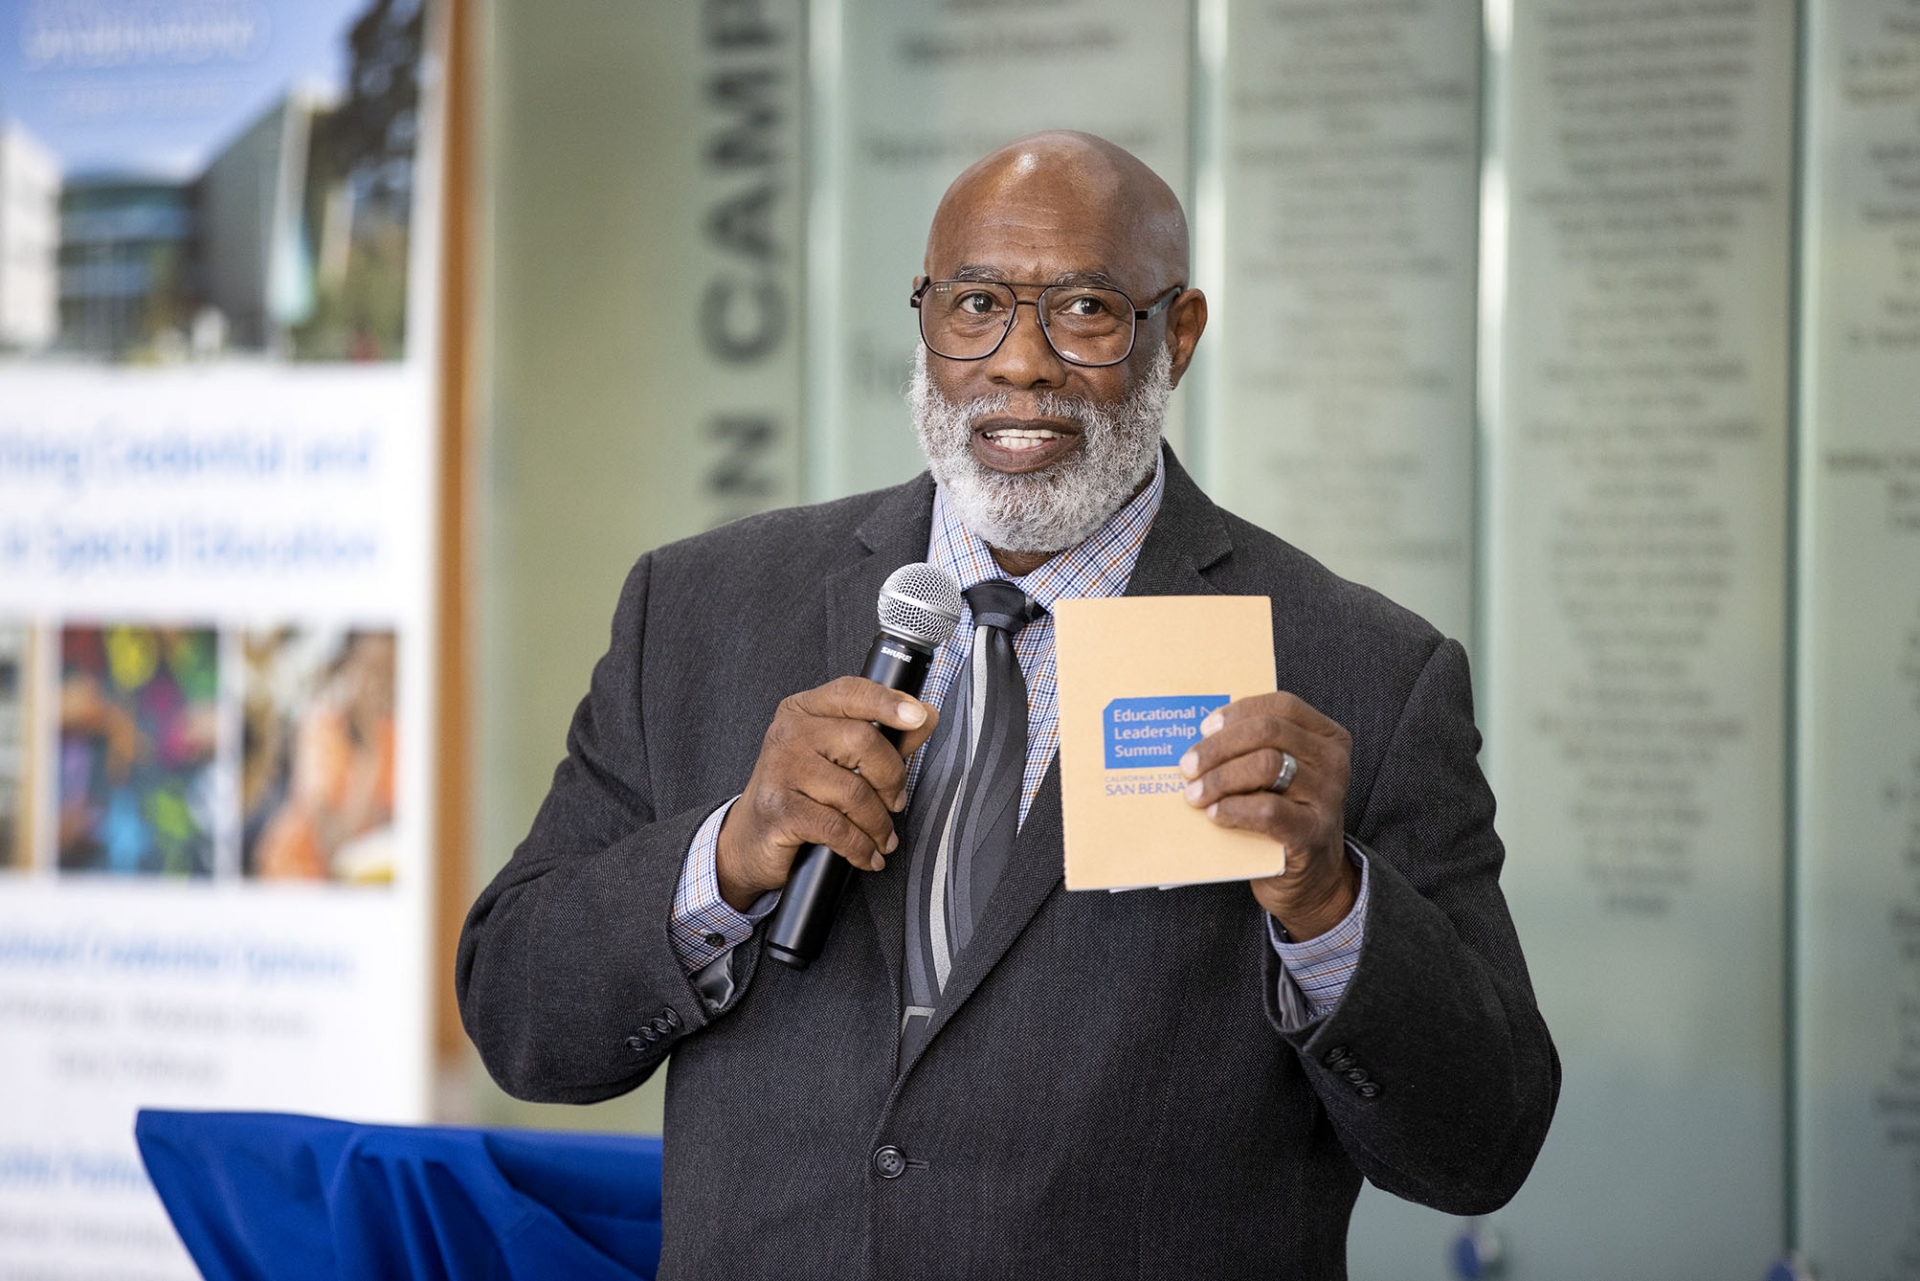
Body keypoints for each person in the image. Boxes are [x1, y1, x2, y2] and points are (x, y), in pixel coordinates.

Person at [457, 130, 1558, 1279]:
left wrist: (1329, 907)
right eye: (975, 304)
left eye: (1083, 310)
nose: (1018, 364)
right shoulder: (697, 610)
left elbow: (1481, 1147)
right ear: (925, 320)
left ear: (1175, 336)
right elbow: (522, 1022)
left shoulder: (1359, 670)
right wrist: (724, 860)